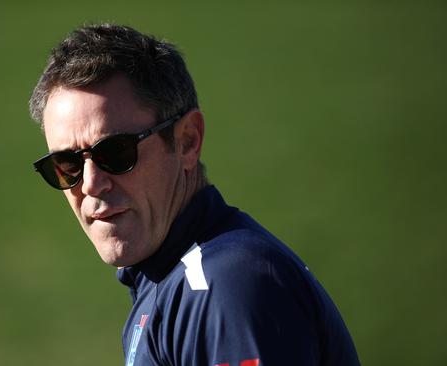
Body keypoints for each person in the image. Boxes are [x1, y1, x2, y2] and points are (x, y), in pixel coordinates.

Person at [29, 24, 360, 366]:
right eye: (67, 164)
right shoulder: (168, 281)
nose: (92, 184)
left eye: (116, 153)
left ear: (187, 141)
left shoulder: (225, 287)